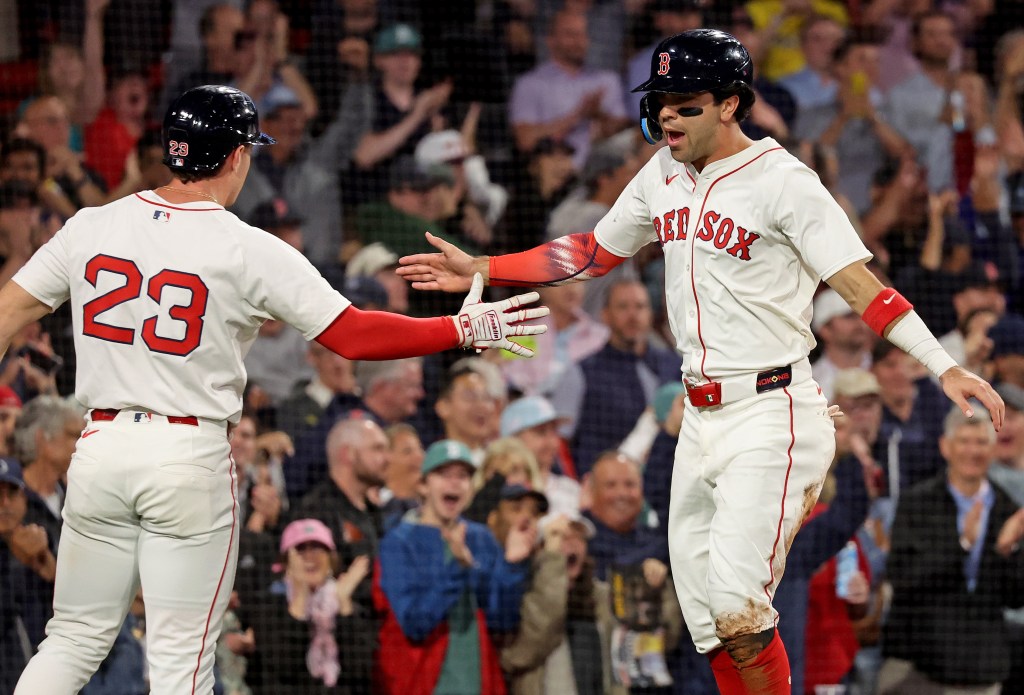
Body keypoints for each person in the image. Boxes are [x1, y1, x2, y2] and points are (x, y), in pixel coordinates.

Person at [397, 28, 1005, 692]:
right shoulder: (660, 170)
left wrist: (943, 363)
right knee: (710, 622)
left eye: (686, 101)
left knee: (740, 605)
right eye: (661, 99)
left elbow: (864, 286)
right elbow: (592, 253)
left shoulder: (784, 181)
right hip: (698, 415)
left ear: (731, 103)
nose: (667, 114)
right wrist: (486, 264)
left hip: (771, 409)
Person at [2, 84, 548, 695]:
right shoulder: (246, 246)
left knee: (73, 639)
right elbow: (357, 335)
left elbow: (6, 312)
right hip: (185, 454)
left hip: (99, 446)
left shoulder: (91, 225)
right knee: (181, 662)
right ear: (235, 156)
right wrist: (461, 327)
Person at [879, 408, 1024, 693]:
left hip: (979, 671)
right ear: (945, 447)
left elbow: (1015, 597)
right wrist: (962, 545)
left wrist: (1009, 550)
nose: (973, 451)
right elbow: (904, 578)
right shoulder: (917, 503)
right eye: (964, 441)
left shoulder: (1007, 510)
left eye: (981, 442)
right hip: (918, 667)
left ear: (993, 450)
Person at [374, 439, 533, 694]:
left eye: (463, 475)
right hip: (423, 686)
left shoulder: (480, 538)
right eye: (443, 474)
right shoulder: (399, 542)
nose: (454, 482)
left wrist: (512, 566)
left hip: (479, 683)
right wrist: (458, 568)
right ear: (424, 485)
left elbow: (502, 621)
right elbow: (415, 623)